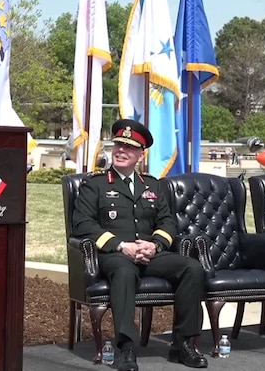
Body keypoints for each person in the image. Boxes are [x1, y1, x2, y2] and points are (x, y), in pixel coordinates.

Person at [72, 119, 207, 370]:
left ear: (140, 155)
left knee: (192, 268)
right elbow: (83, 224)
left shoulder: (152, 185)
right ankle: (126, 348)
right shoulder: (96, 184)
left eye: (129, 147)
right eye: (118, 145)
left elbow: (168, 223)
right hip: (115, 255)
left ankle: (183, 345)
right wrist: (122, 245)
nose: (121, 151)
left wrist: (154, 245)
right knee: (124, 271)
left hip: (149, 254)